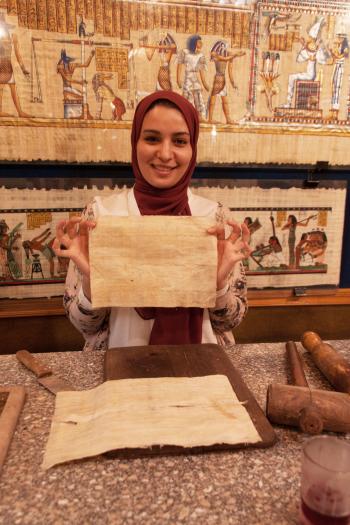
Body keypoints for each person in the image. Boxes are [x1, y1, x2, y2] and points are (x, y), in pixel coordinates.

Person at [53, 91, 250, 351]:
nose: (165, 154)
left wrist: (217, 284)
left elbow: (230, 321)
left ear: (193, 148)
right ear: (135, 142)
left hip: (203, 372)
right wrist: (93, 282)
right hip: (121, 367)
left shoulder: (214, 218)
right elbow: (86, 326)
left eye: (179, 141)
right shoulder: (102, 216)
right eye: (152, 138)